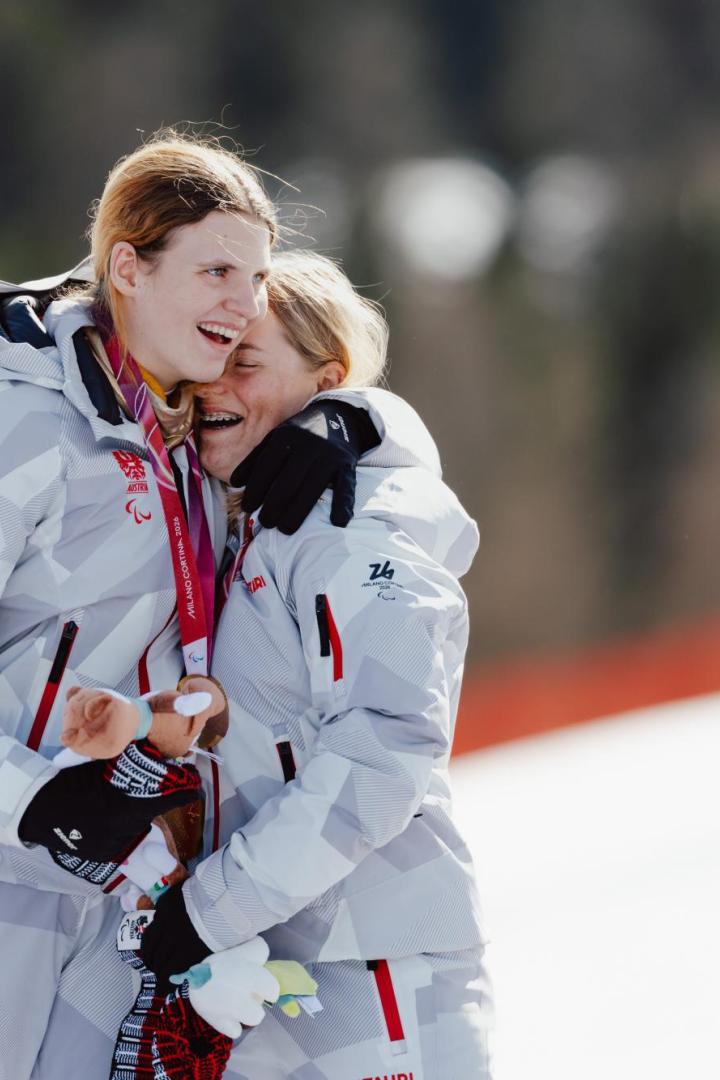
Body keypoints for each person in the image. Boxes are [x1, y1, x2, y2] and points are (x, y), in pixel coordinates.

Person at [0, 134, 403, 1078]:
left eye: (255, 278)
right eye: (217, 270)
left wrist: (355, 418)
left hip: (119, 885)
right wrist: (30, 803)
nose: (244, 301)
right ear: (127, 269)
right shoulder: (28, 420)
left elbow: (412, 490)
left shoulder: (184, 434)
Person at [139, 251, 493, 1078]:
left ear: (327, 382)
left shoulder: (350, 523)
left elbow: (387, 748)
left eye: (246, 362)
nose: (213, 385)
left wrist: (214, 909)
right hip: (274, 968)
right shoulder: (252, 521)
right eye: (212, 357)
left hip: (377, 964)